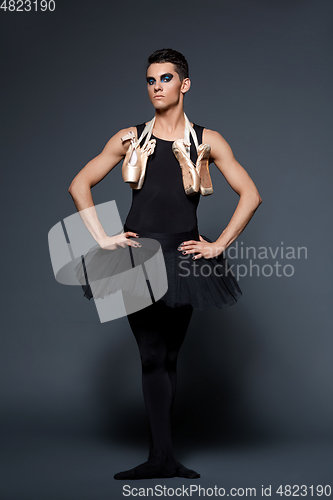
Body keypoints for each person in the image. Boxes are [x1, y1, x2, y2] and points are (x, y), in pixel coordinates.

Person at [68, 48, 262, 480]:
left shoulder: (208, 141)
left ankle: (164, 457)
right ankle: (160, 458)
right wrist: (102, 237)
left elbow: (251, 195)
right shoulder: (129, 138)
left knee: (170, 356)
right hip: (138, 257)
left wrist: (217, 246)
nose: (157, 87)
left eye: (166, 79)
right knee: (152, 354)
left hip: (186, 260)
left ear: (184, 84)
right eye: (151, 80)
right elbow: (79, 184)